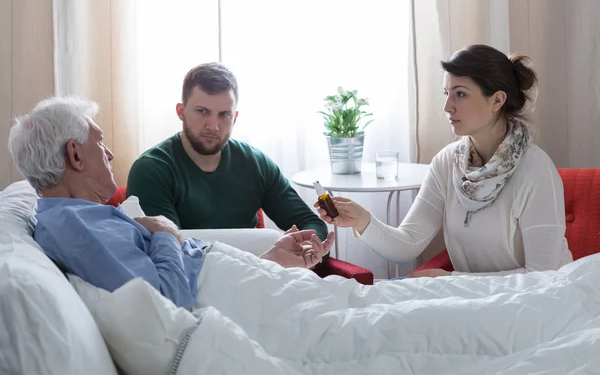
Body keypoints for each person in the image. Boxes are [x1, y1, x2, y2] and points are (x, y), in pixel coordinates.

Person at [8, 96, 334, 310]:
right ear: (75, 155)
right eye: (100, 141)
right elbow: (170, 299)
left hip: (237, 277)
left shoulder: (83, 216)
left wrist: (268, 260)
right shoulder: (76, 228)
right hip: (233, 295)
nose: (108, 153)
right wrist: (164, 230)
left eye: (224, 114)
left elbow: (187, 270)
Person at [315, 44, 573, 277]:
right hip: (475, 303)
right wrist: (363, 220)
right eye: (446, 93)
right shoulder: (447, 163)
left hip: (538, 306)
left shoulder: (535, 171)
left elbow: (544, 276)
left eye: (460, 94)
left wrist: (453, 280)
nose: (447, 106)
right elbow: (408, 243)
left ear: (497, 100)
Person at [126, 62, 328, 242]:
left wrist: (310, 247)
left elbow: (311, 224)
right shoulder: (151, 170)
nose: (213, 126)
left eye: (224, 115)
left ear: (235, 117)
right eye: (202, 111)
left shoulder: (256, 164)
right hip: (191, 281)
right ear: (181, 111)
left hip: (260, 274)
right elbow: (169, 252)